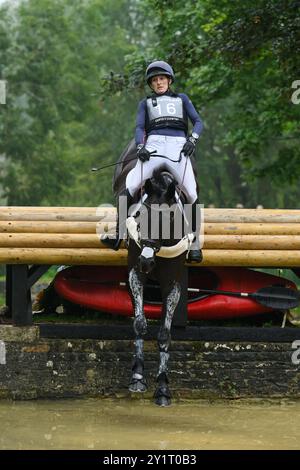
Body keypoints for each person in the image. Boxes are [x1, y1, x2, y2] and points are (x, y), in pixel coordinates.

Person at [103, 60, 204, 262]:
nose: (159, 83)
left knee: (192, 193)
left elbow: (198, 122)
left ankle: (195, 245)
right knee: (130, 185)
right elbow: (140, 127)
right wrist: (141, 147)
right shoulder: (146, 103)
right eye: (155, 80)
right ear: (151, 84)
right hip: (154, 147)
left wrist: (193, 140)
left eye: (162, 79)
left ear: (169, 80)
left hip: (178, 149)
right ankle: (119, 233)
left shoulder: (182, 99)